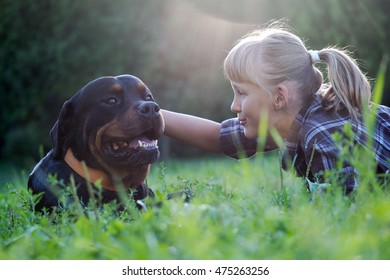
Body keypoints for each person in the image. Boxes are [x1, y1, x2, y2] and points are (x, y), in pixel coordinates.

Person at [162, 24, 390, 194]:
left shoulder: (323, 134)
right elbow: (218, 137)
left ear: (279, 97)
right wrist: (154, 115)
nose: (234, 106)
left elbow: (345, 213)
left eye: (242, 93)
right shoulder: (290, 119)